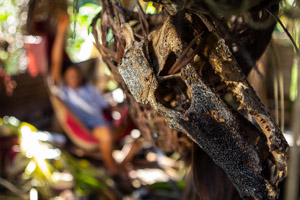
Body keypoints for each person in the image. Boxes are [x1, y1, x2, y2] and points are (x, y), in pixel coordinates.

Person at [50, 12, 119, 175]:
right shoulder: (64, 92)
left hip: (104, 122)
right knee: (106, 134)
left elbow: (105, 106)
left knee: (127, 127)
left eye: (76, 75)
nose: (73, 78)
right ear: (65, 79)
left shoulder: (89, 89)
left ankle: (117, 164)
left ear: (81, 75)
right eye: (69, 76)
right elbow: (55, 62)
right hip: (89, 129)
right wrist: (62, 31)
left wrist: (115, 111)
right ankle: (112, 170)